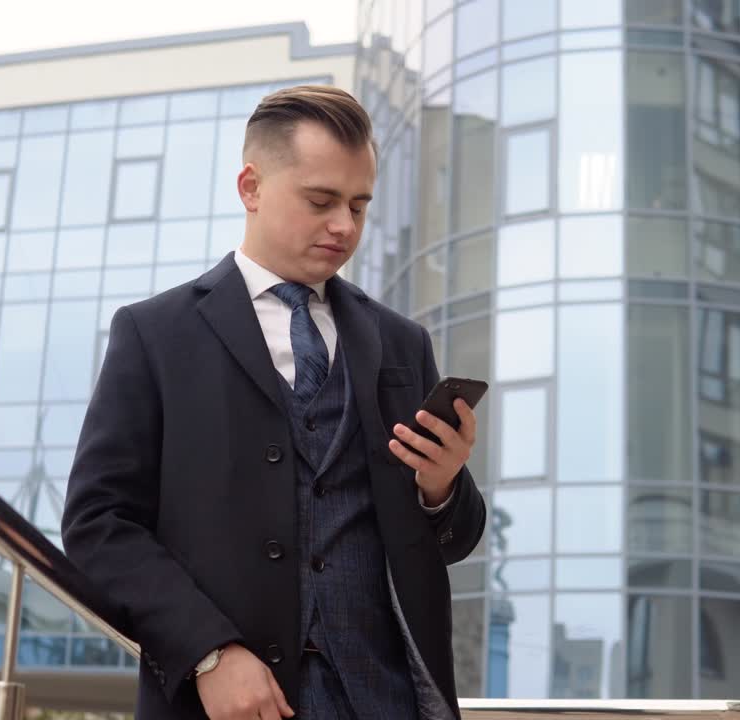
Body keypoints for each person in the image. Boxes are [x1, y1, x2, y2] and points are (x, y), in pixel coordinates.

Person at [61, 85, 486, 720]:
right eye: (321, 200)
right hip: (231, 705)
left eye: (359, 206)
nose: (344, 226)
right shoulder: (155, 334)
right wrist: (208, 652)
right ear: (251, 187)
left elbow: (450, 541)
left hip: (385, 698)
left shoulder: (401, 342)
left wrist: (441, 487)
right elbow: (98, 525)